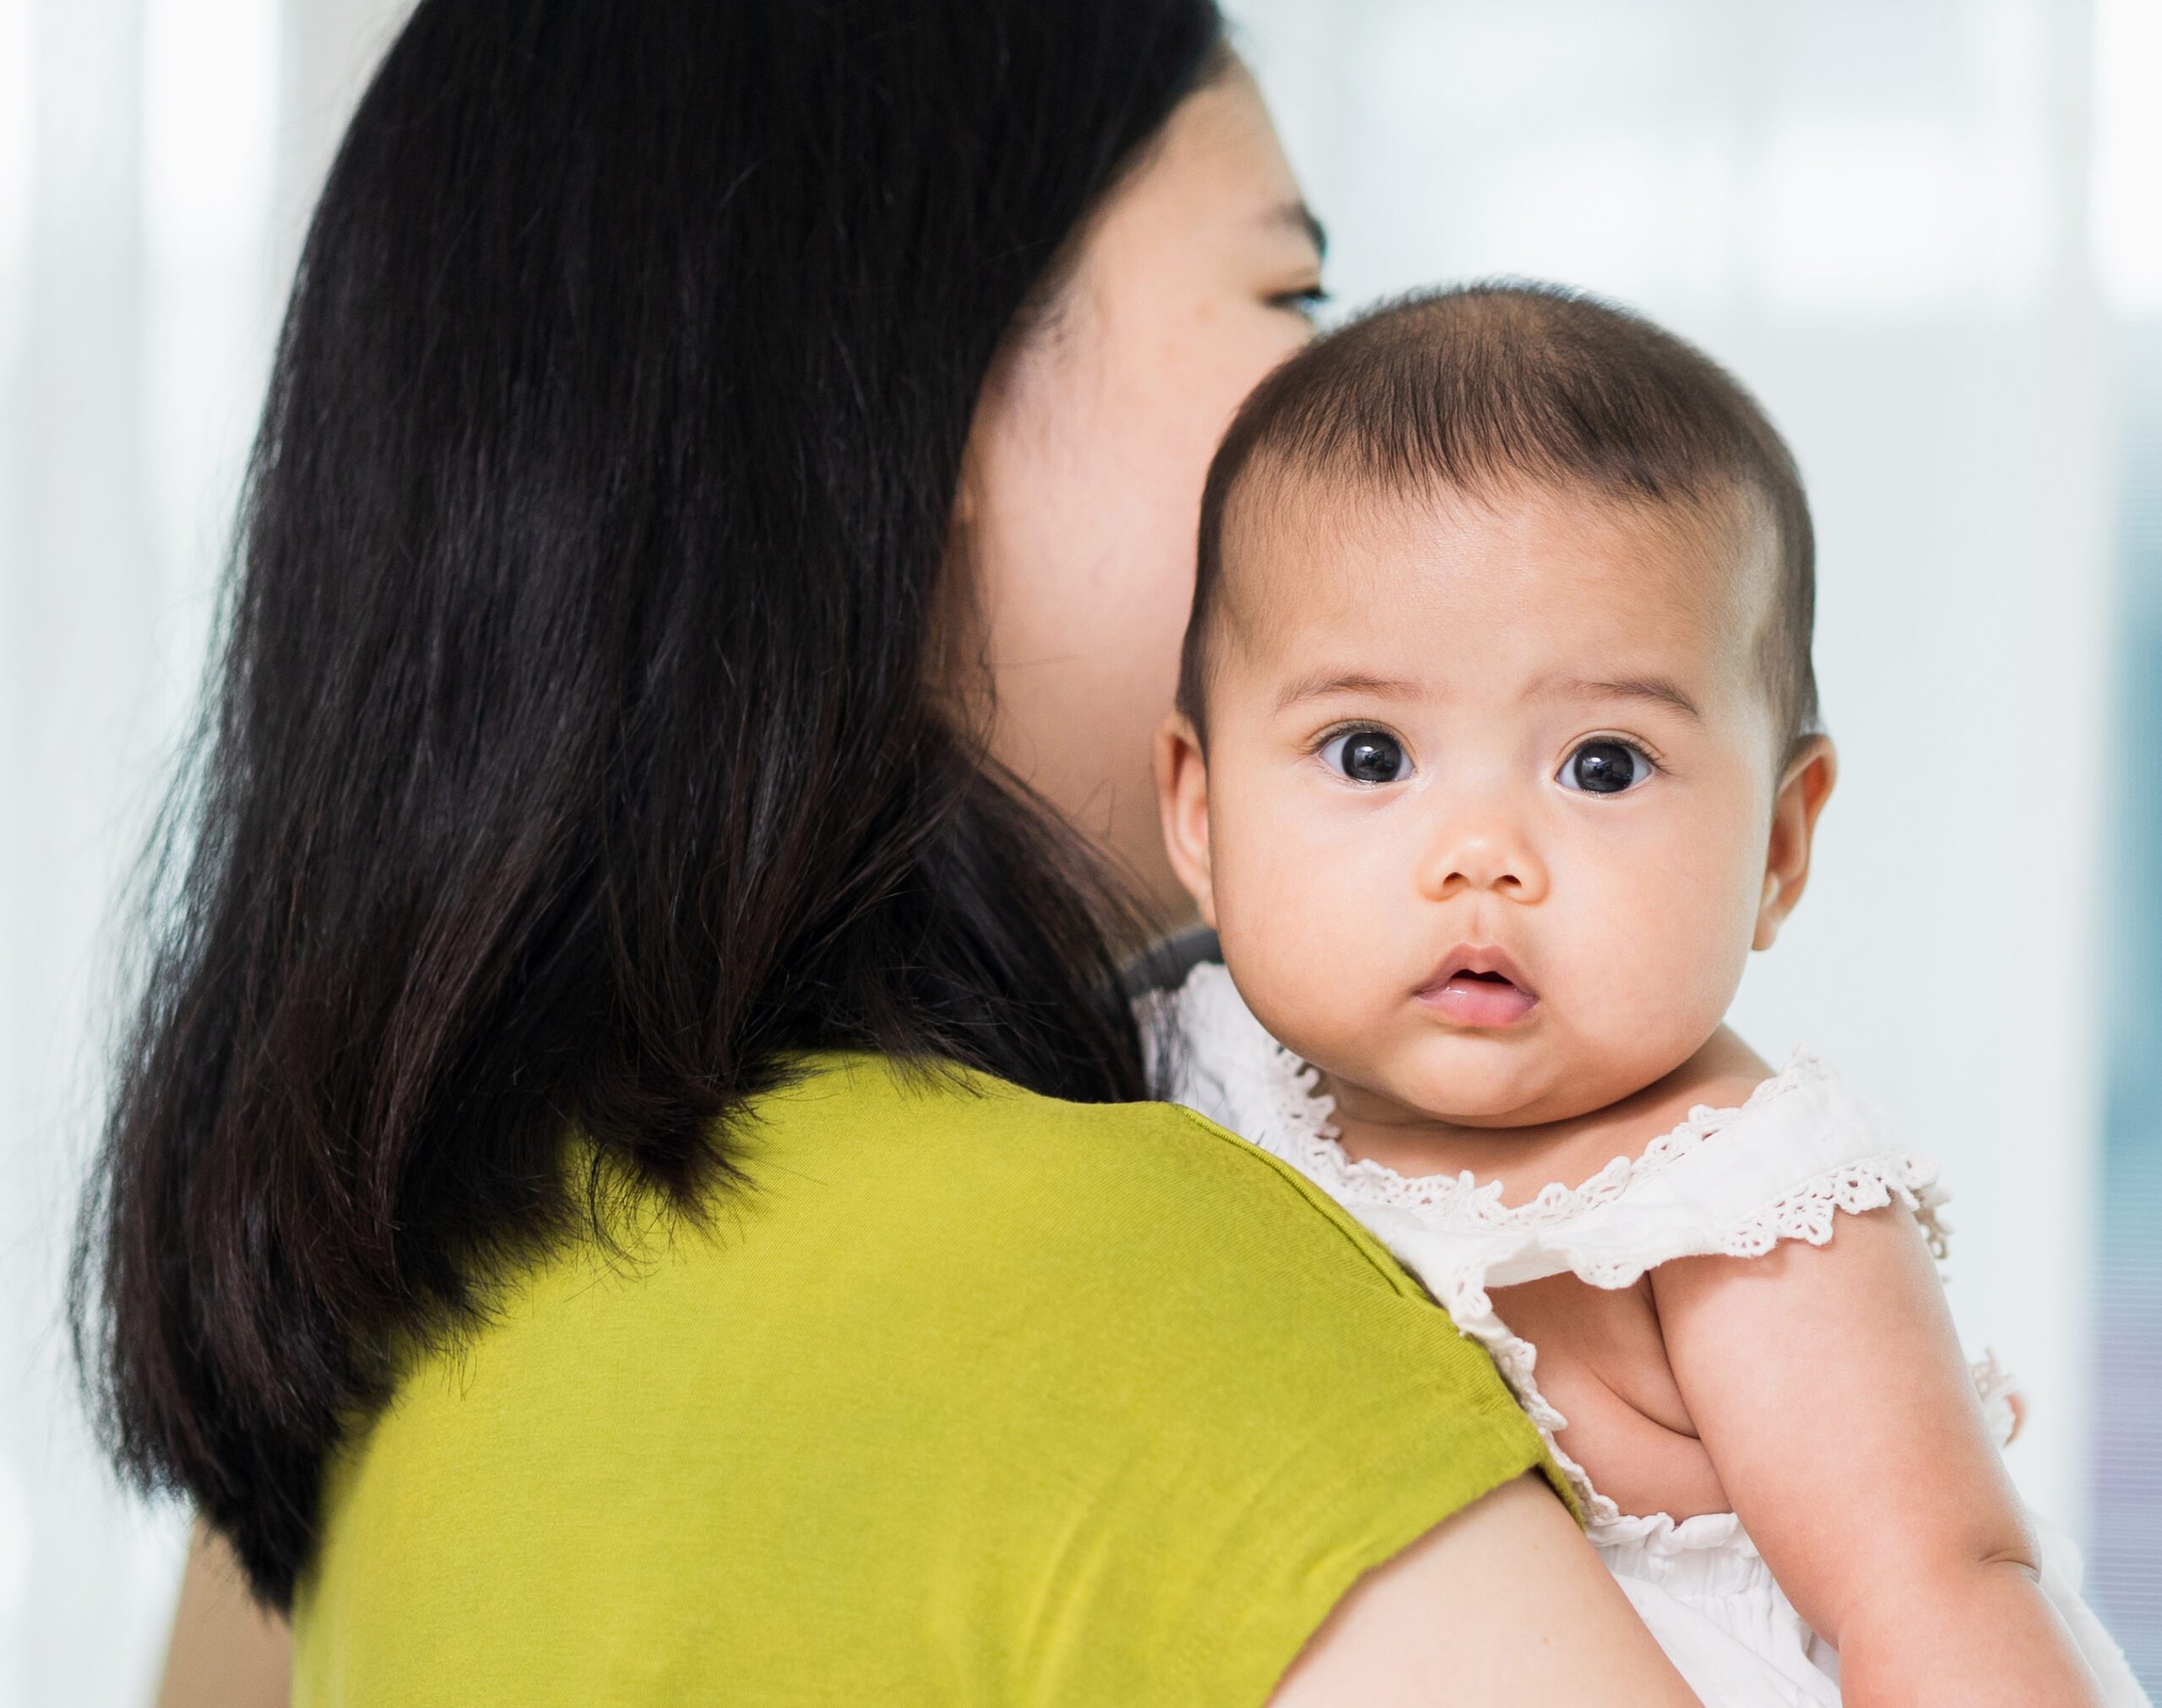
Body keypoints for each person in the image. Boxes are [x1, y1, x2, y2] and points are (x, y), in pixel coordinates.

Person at [79, 6, 1704, 1704]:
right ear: (918, 382)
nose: (1364, 424)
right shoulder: (1148, 1304)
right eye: (1286, 298)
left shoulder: (354, 1376)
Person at [1147, 280, 2148, 1704]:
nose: (1480, 858)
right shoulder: (1184, 1073)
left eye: (1601, 765)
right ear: (1200, 810)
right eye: (1369, 754)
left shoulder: (1736, 1208)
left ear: (1781, 845)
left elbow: (1932, 1594)